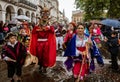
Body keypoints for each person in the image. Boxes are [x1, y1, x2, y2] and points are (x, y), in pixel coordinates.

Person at [29, 5, 56, 73]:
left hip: (46, 44)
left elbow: (52, 31)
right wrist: (38, 29)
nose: (45, 16)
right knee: (39, 56)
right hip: (38, 44)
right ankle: (40, 65)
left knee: (45, 56)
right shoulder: (36, 27)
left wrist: (48, 28)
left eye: (46, 15)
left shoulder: (50, 27)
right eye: (43, 15)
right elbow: (34, 32)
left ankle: (44, 67)